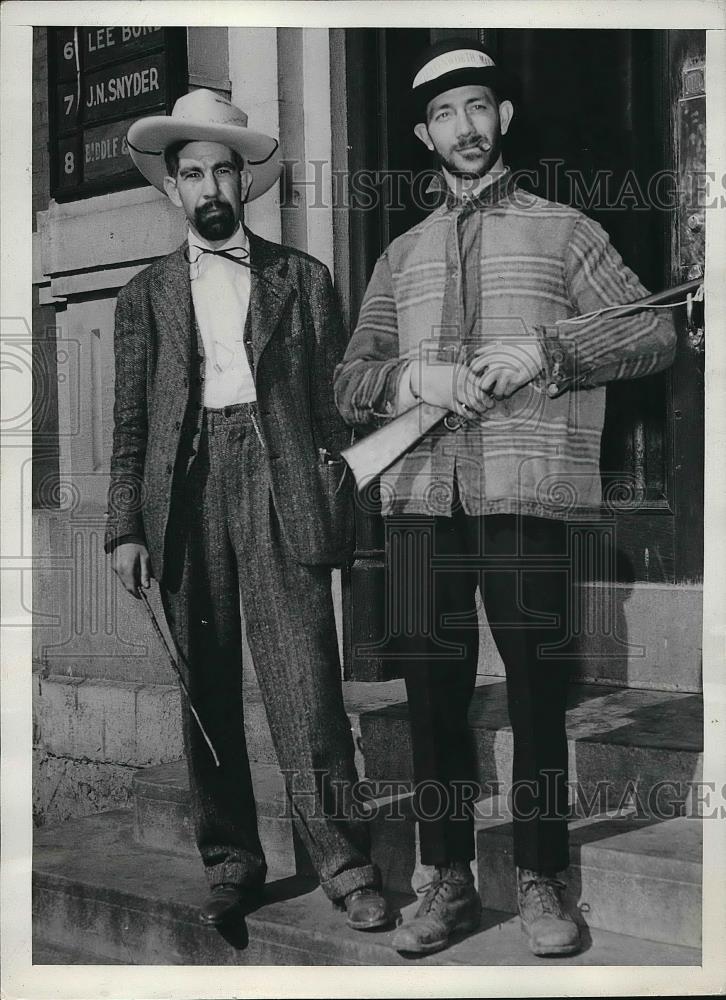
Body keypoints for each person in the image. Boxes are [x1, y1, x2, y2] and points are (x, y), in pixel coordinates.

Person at [334, 39, 677, 957]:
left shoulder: (566, 230)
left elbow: (653, 333)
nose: (465, 128)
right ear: (423, 134)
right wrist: (418, 379)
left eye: (478, 108)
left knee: (534, 699)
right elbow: (349, 381)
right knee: (430, 702)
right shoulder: (399, 254)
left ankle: (539, 880)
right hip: (414, 504)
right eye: (444, 115)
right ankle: (443, 881)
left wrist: (551, 354)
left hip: (527, 496)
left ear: (504, 119)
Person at [105, 89, 389, 932]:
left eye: (223, 169)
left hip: (280, 483)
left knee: (307, 685)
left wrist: (344, 514)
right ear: (172, 190)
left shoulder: (303, 280)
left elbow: (337, 418)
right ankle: (231, 860)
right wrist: (124, 526)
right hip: (185, 497)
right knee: (209, 690)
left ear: (244, 181)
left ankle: (346, 864)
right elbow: (129, 424)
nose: (209, 188)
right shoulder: (140, 298)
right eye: (192, 174)